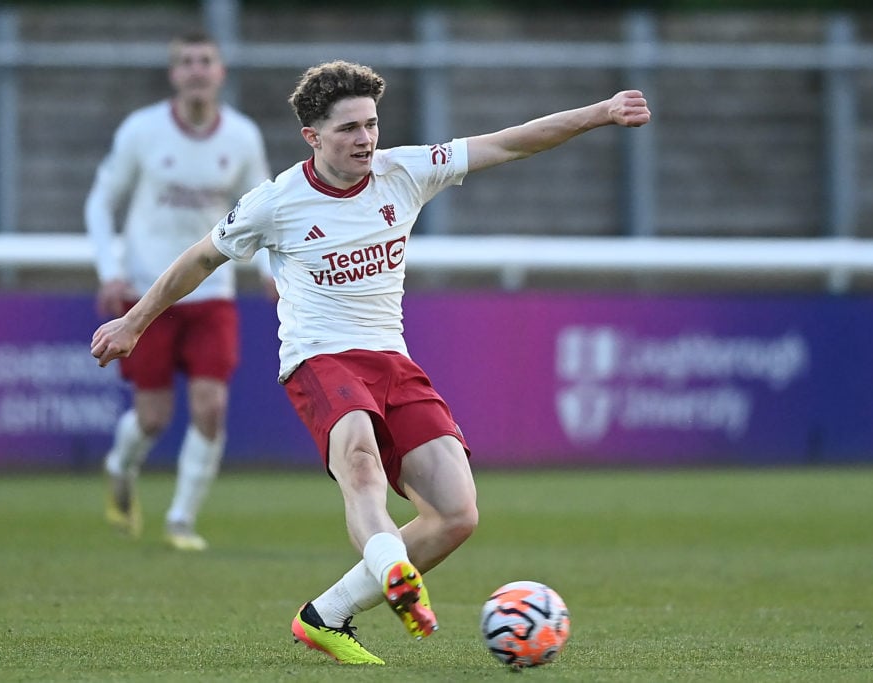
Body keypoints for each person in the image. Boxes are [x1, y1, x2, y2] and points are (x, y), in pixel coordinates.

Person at [91, 60, 650, 662]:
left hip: (393, 360)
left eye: (371, 124)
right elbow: (199, 261)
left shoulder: (404, 171)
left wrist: (600, 113)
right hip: (319, 359)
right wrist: (133, 321)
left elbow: (511, 143)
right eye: (349, 129)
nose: (365, 139)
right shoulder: (275, 202)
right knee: (359, 459)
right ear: (313, 137)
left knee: (457, 514)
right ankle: (392, 569)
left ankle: (326, 615)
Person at [84, 29, 272, 552]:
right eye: (186, 61)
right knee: (153, 417)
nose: (195, 69)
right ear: (174, 73)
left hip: (213, 293)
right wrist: (109, 270)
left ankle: (181, 520)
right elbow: (101, 202)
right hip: (147, 293)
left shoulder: (241, 137)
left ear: (220, 72)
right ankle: (120, 465)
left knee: (211, 408)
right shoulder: (142, 131)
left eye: (204, 61)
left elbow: (267, 208)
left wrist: (270, 271)